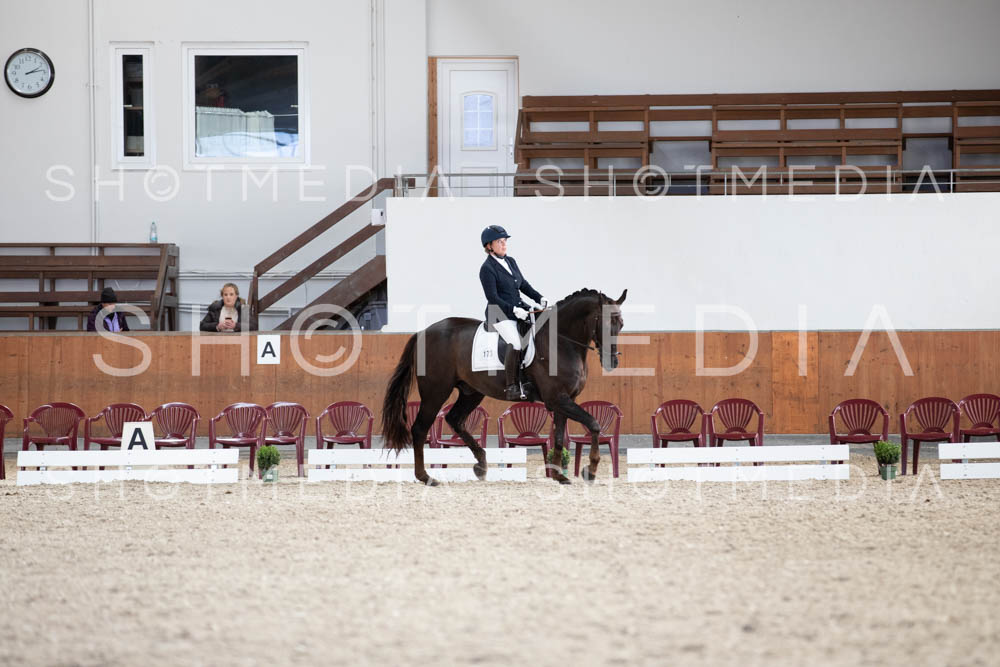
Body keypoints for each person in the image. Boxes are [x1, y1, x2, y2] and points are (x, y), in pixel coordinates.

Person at [479, 225, 549, 400]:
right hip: (498, 313)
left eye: (505, 241)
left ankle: (528, 378)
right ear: (489, 246)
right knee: (516, 343)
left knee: (538, 332)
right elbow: (492, 297)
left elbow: (523, 284)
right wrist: (513, 310)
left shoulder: (511, 261)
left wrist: (539, 298)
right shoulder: (487, 268)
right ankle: (511, 386)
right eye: (499, 242)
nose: (504, 244)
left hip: (519, 308)